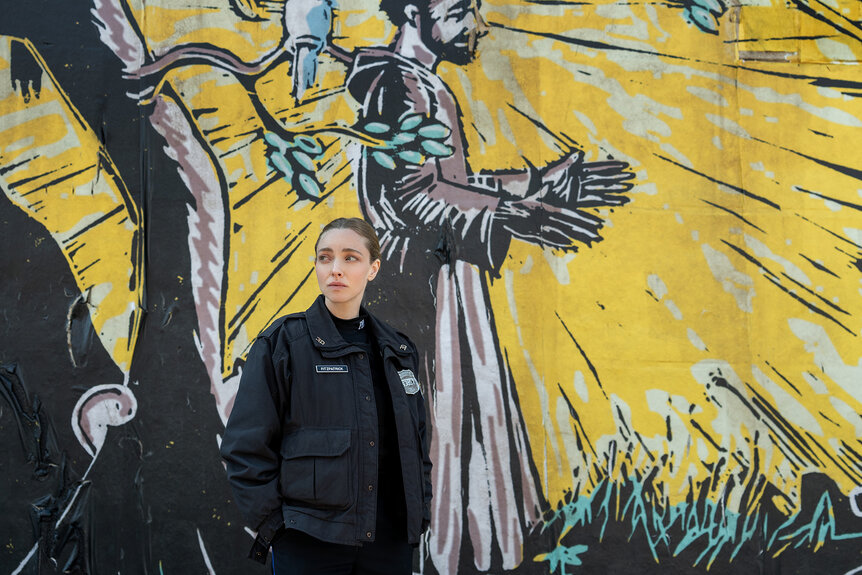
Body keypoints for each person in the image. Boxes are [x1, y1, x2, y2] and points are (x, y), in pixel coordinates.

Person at [345, 0, 633, 572]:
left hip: (443, 273)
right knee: (439, 412)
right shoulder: (399, 84)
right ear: (416, 11)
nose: (475, 23)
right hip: (423, 284)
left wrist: (544, 184)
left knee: (456, 412)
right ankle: (446, 552)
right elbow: (412, 197)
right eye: (459, 9)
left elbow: (446, 182)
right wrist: (515, 213)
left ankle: (467, 549)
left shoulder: (417, 82)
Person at [220, 217, 432, 574]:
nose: (335, 269)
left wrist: (419, 511)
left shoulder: (398, 350)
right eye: (325, 257)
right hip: (309, 542)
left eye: (350, 258)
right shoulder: (283, 344)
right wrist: (276, 528)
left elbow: (417, 443)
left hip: (389, 541)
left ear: (373, 268)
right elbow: (244, 449)